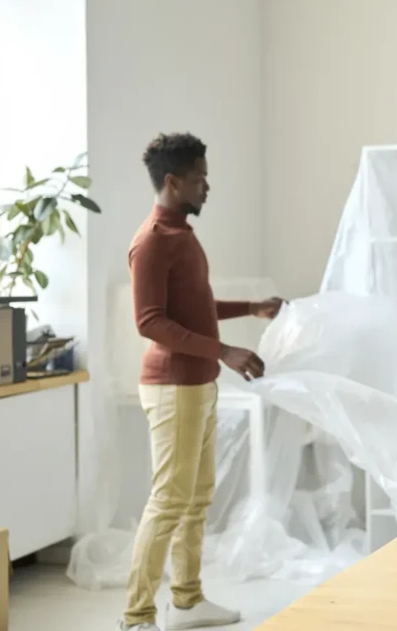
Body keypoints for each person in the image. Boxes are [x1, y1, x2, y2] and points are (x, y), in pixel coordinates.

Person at [118, 132, 284, 631]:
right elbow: (149, 322)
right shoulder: (151, 241)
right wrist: (225, 351)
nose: (207, 186)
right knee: (169, 500)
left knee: (196, 498)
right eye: (200, 178)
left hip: (197, 384)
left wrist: (250, 309)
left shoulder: (182, 235)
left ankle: (187, 601)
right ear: (174, 181)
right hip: (172, 387)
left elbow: (191, 309)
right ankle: (136, 616)